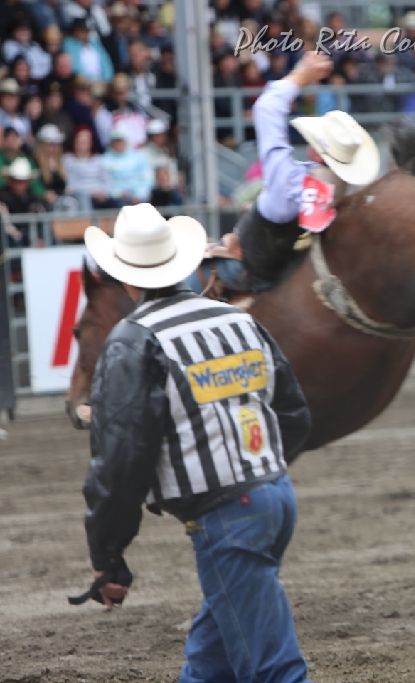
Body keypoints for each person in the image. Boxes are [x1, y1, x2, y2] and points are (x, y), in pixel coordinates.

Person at [75, 202, 314, 683]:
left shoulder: (134, 340)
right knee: (211, 661)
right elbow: (294, 415)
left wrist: (108, 556)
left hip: (226, 513)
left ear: (127, 278)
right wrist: (256, 472)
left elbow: (121, 460)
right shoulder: (238, 319)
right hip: (275, 496)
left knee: (272, 668)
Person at [186, 51, 380, 296]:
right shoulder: (339, 191)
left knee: (185, 281)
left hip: (249, 267)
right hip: (288, 274)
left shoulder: (290, 180)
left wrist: (301, 75)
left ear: (316, 152)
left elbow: (267, 108)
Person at [64, 124, 110, 209]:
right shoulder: (68, 160)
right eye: (80, 141)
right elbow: (70, 184)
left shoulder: (98, 159)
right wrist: (91, 193)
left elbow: (106, 180)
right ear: (74, 142)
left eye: (86, 141)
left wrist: (104, 193)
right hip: (79, 196)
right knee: (84, 199)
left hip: (100, 196)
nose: (83, 144)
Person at [102, 126, 152, 204]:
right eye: (116, 141)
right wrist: (117, 193)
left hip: (139, 197)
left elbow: (146, 178)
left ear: (126, 141)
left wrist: (139, 194)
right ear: (111, 143)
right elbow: (103, 182)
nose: (119, 144)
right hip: (115, 199)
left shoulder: (139, 157)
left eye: (121, 141)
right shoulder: (104, 160)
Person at [34, 123, 66, 203]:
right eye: (48, 144)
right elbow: (34, 183)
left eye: (54, 144)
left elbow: (63, 184)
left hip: (60, 200)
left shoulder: (61, 161)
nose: (52, 148)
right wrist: (43, 193)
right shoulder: (35, 161)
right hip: (43, 201)